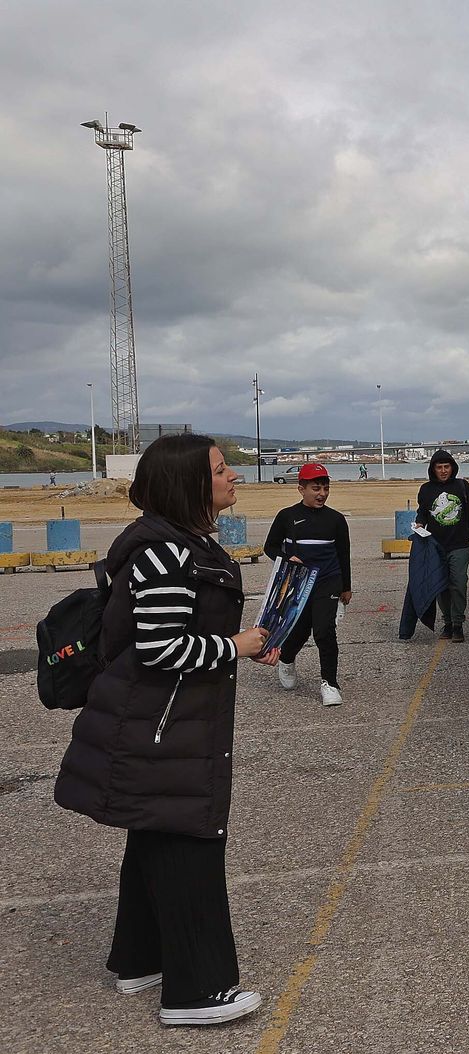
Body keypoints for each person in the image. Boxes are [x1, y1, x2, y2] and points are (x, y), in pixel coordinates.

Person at [55, 433, 276, 1027]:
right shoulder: (163, 553)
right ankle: (196, 993)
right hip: (161, 726)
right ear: (189, 484)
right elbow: (161, 647)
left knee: (154, 834)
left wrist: (236, 649)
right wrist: (236, 645)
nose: (234, 477)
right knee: (191, 843)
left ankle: (139, 959)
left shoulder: (180, 544)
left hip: (163, 721)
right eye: (222, 469)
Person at [264, 463, 352, 706]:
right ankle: (286, 659)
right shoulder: (287, 516)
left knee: (324, 631)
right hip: (299, 582)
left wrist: (346, 586)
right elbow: (269, 547)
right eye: (316, 488)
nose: (322, 493)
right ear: (301, 489)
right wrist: (284, 558)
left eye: (325, 488)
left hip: (328, 580)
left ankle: (330, 684)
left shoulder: (336, 519)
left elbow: (343, 553)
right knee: (300, 631)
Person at [414, 449, 469, 643]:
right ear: (433, 469)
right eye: (439, 467)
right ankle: (448, 622)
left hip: (459, 545)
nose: (443, 471)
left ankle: (458, 624)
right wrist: (419, 523)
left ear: (452, 468)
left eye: (446, 467)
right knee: (442, 587)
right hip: (436, 547)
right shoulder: (426, 490)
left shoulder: (463, 487)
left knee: (458, 584)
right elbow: (423, 513)